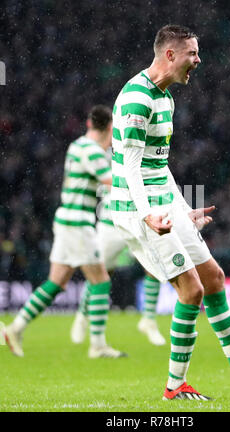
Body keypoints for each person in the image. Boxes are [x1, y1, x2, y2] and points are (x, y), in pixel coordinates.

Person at [110, 24, 230, 400]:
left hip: (162, 203)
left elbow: (157, 166)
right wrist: (148, 215)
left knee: (214, 277)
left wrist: (181, 209)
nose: (198, 60)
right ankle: (175, 386)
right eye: (192, 53)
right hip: (136, 207)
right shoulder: (136, 99)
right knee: (190, 291)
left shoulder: (167, 98)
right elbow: (129, 169)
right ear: (170, 55)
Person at [3, 105, 126, 359]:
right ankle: (98, 345)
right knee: (101, 280)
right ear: (110, 128)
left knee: (56, 283)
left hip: (66, 219)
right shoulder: (92, 151)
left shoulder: (77, 146)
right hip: (78, 224)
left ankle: (15, 328)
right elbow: (111, 181)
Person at [71, 184, 166, 346]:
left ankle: (149, 320)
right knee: (99, 273)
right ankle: (82, 315)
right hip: (111, 223)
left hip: (139, 221)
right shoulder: (108, 160)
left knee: (154, 268)